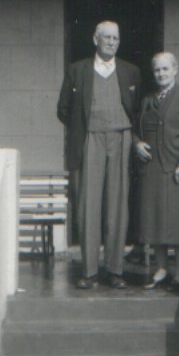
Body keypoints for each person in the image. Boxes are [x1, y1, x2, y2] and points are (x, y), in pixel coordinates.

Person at [57, 21, 141, 289]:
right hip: (90, 138)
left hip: (121, 138)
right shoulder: (77, 70)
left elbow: (137, 109)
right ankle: (89, 272)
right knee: (88, 205)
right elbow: (63, 109)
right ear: (96, 39)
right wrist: (84, 127)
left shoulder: (130, 71)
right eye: (106, 37)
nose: (111, 42)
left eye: (115, 38)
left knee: (118, 205)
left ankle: (115, 270)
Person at [134, 51, 179, 292]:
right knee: (155, 221)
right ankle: (161, 269)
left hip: (178, 169)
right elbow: (136, 128)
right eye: (157, 70)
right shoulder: (147, 99)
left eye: (165, 69)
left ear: (175, 70)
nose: (161, 73)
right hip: (152, 169)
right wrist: (137, 143)